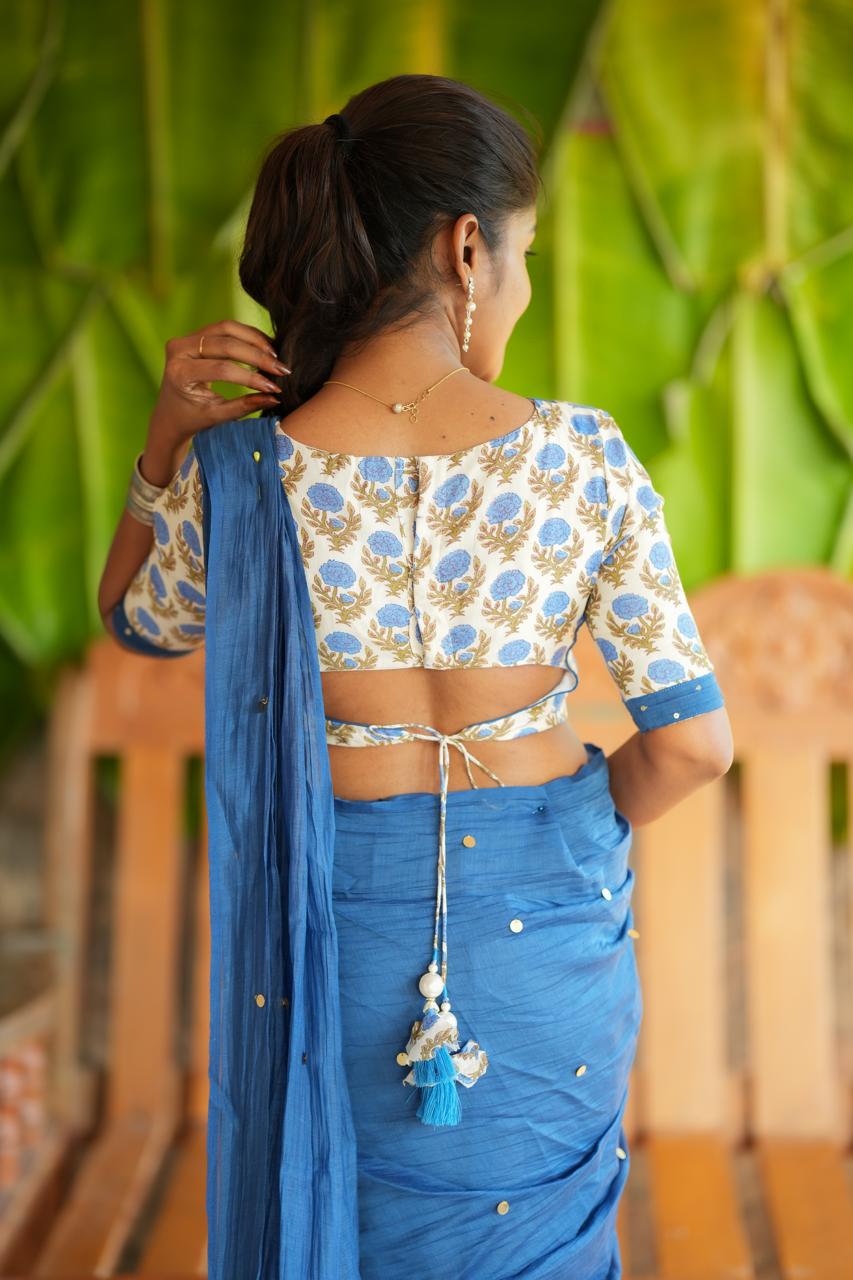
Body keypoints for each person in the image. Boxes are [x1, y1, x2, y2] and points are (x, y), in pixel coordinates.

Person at [98, 73, 733, 1280]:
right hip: (548, 928)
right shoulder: (582, 458)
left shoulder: (245, 472)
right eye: (524, 254)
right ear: (466, 249)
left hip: (333, 932)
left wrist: (164, 444)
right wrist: (563, 835)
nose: (523, 286)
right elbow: (695, 743)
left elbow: (136, 622)